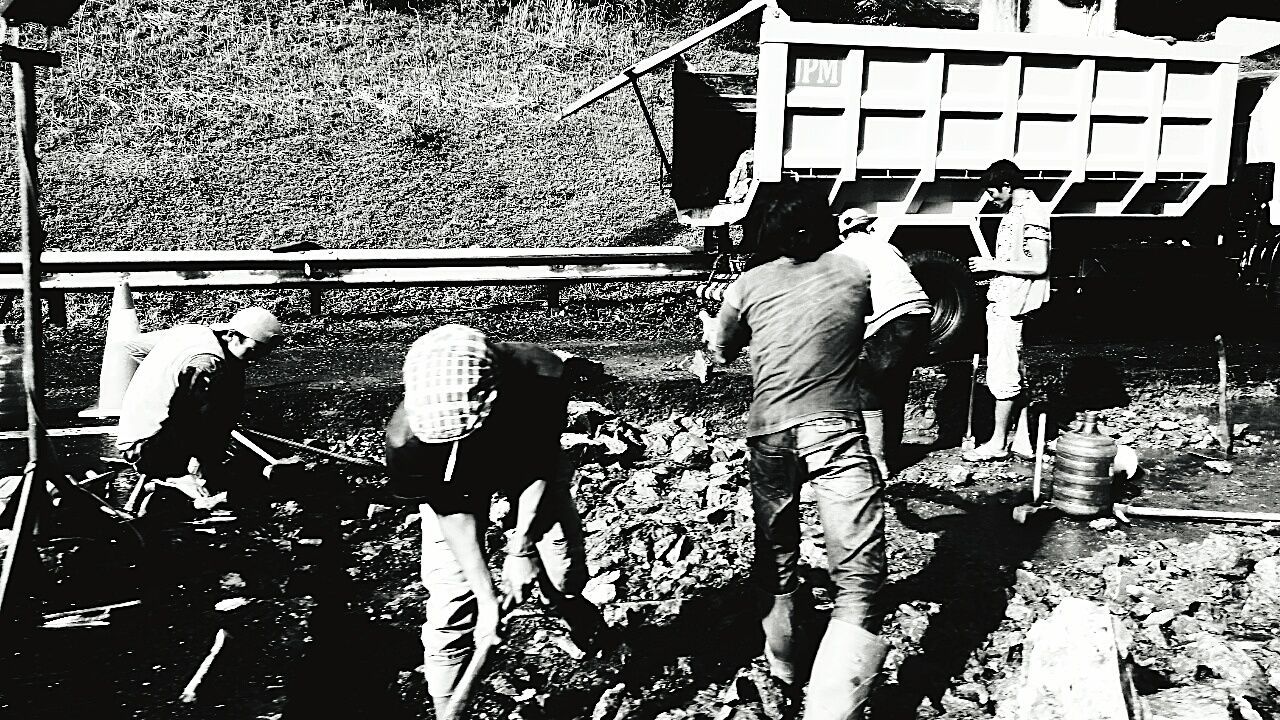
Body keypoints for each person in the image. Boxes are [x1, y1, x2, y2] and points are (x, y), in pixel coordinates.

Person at [701, 187, 887, 720]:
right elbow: (876, 320)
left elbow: (722, 347)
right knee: (856, 575)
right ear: (810, 232)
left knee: (777, 555)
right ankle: (834, 707)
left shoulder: (747, 285)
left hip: (770, 435)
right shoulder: (854, 270)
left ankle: (782, 674)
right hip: (834, 427)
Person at [383, 324, 602, 716]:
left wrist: (520, 547)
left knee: (561, 566)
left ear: (493, 394)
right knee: (451, 597)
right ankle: (445, 707)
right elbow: (451, 512)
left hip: (523, 463)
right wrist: (488, 600)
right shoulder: (406, 441)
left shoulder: (541, 378)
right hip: (455, 486)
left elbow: (537, 466)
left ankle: (574, 610)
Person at [115, 306, 283, 511]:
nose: (256, 359)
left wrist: (161, 378)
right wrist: (195, 467)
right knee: (224, 391)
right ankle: (178, 476)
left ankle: (195, 467)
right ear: (231, 335)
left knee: (228, 378)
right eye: (254, 349)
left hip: (139, 435)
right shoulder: (207, 364)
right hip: (148, 449)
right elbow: (189, 418)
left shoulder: (193, 332)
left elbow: (132, 346)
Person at [834, 208, 932, 479]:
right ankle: (891, 450)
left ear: (843, 234)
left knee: (865, 382)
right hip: (922, 315)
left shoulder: (842, 255)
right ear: (868, 228)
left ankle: (877, 461)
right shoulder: (888, 248)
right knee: (894, 383)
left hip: (896, 318)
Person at [963, 159, 1051, 462]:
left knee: (1003, 375)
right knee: (1015, 370)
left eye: (993, 191)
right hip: (1008, 299)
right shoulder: (1019, 211)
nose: (991, 198)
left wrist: (992, 265)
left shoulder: (1031, 213)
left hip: (1013, 305)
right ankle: (1023, 440)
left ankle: (997, 444)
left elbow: (1039, 265)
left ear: (1007, 186)